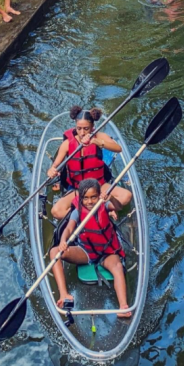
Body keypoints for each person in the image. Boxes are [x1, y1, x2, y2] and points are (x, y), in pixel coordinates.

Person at [48, 178, 132, 318]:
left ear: (99, 195)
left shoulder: (104, 205)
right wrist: (63, 241)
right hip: (86, 252)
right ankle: (64, 294)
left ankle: (123, 306)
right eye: (85, 198)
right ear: (80, 198)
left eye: (93, 197)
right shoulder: (77, 212)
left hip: (107, 252)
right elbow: (69, 229)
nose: (90, 201)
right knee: (54, 252)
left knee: (117, 267)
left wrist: (109, 197)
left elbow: (118, 207)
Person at [46, 106, 133, 221]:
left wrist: (98, 142)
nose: (82, 132)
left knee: (127, 196)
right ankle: (99, 212)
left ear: (92, 127)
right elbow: (54, 166)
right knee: (56, 211)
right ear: (75, 126)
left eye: (86, 128)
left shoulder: (100, 136)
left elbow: (118, 148)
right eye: (79, 128)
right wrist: (51, 170)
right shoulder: (67, 144)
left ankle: (93, 211)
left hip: (99, 185)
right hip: (78, 189)